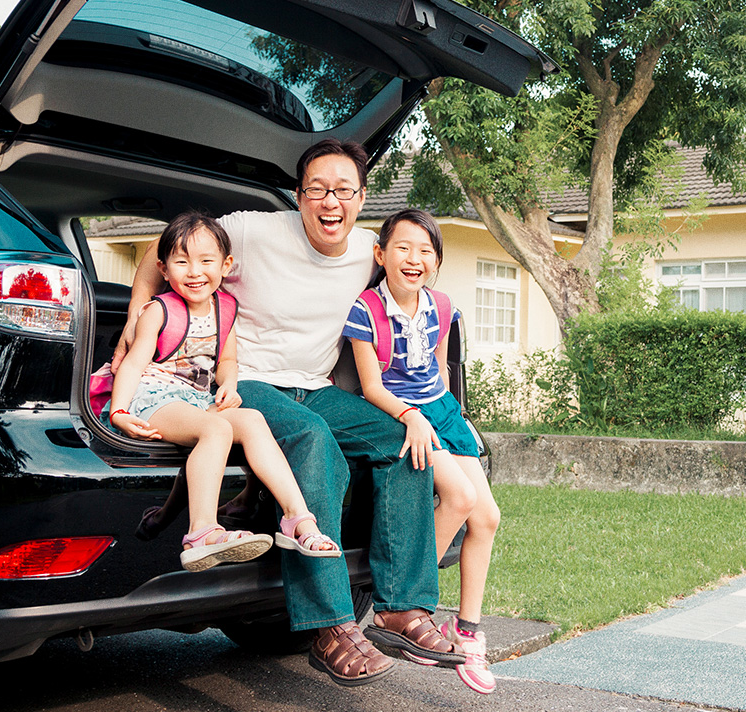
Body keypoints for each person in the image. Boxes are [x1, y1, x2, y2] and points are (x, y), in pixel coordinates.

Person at [114, 140, 462, 688]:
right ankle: (329, 627)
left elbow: (413, 298)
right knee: (312, 438)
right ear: (299, 197)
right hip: (243, 382)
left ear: (362, 197)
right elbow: (158, 259)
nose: (330, 201)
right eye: (317, 189)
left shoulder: (372, 251)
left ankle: (402, 609)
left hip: (315, 385)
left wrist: (422, 399)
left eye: (343, 190)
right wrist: (135, 327)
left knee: (401, 439)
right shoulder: (252, 231)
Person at [107, 212, 341, 571]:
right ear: (164, 269)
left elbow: (227, 360)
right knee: (217, 429)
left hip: (197, 398)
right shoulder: (157, 311)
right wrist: (119, 410)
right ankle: (201, 532)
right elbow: (134, 363)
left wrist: (229, 386)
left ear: (226, 265)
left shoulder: (225, 309)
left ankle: (298, 520)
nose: (194, 271)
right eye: (181, 262)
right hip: (154, 397)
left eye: (206, 261)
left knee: (251, 419)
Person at [344, 209, 501, 694]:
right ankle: (403, 604)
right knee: (458, 498)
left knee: (488, 518)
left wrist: (455, 413)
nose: (415, 259)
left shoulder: (442, 305)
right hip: (399, 414)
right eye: (403, 248)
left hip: (442, 412)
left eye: (426, 250)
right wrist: (412, 417)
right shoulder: (365, 310)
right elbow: (371, 387)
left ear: (436, 260)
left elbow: (439, 366)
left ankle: (466, 629)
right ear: (381, 254)